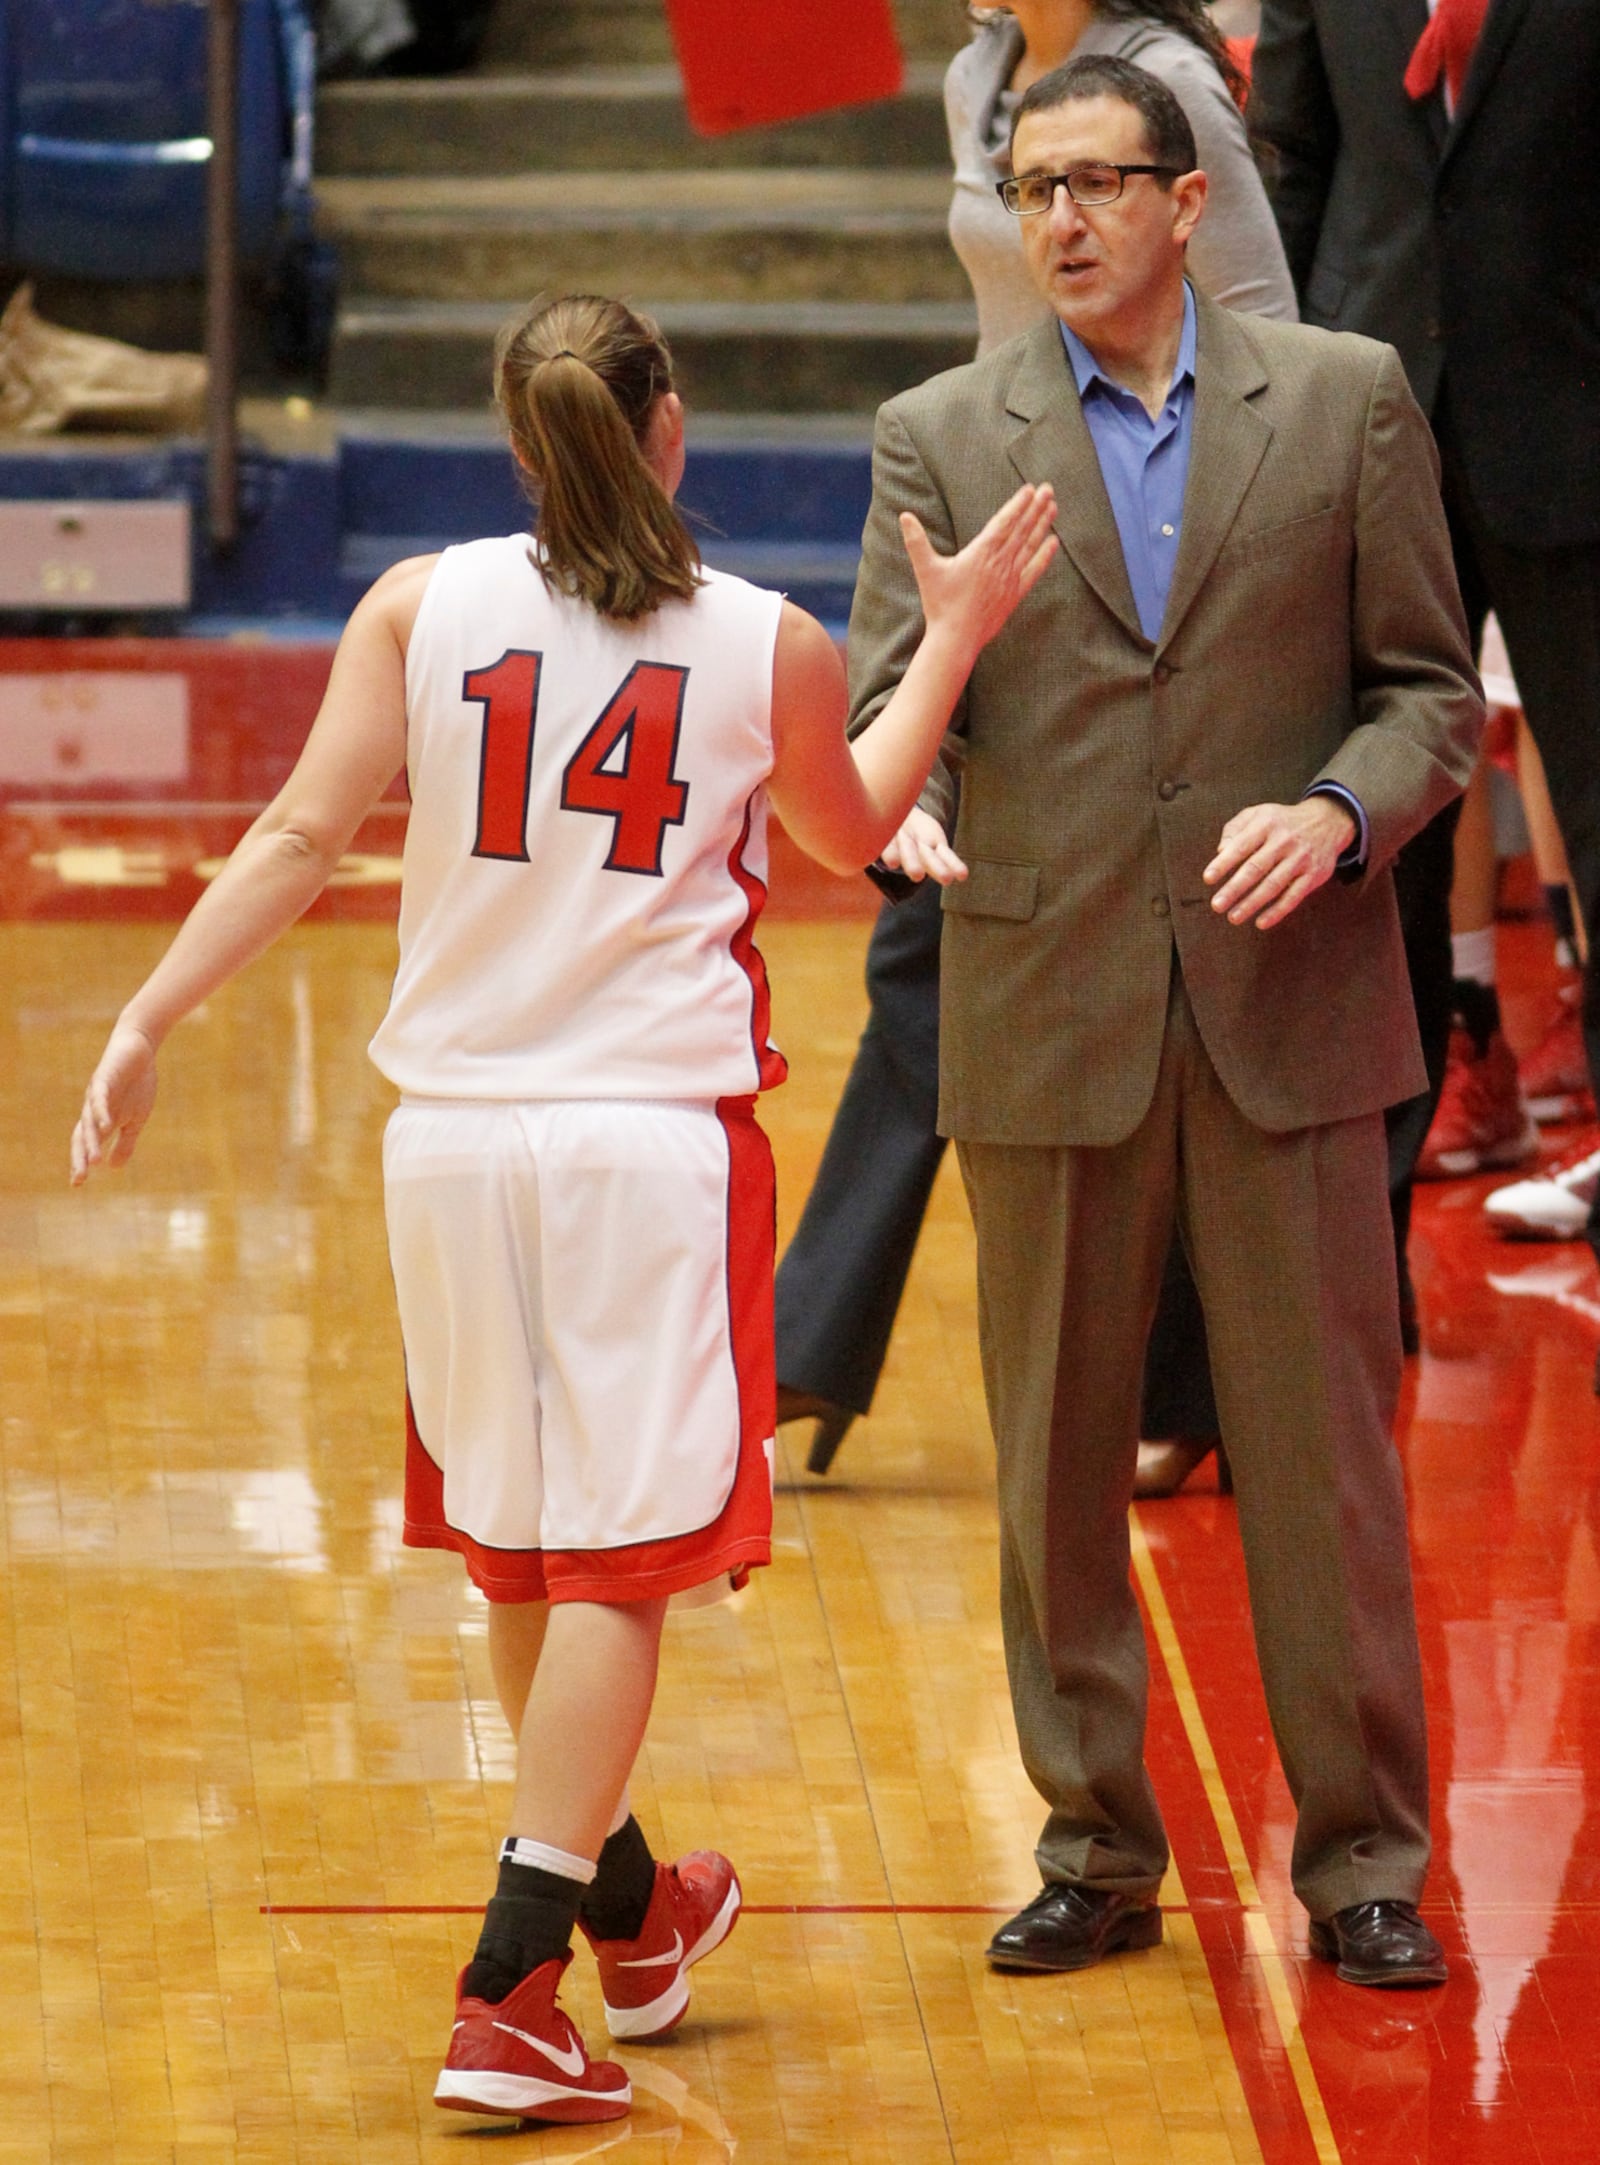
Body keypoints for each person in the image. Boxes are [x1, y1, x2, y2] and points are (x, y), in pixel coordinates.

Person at [67, 293, 1057, 2123]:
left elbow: (294, 837)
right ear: (669, 427)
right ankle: (506, 1990)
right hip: (638, 1148)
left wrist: (148, 1014)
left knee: (528, 1547)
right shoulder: (764, 644)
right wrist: (959, 636)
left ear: (520, 444)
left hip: (447, 1141)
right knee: (617, 1565)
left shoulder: (412, 605)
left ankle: (635, 1908)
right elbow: (860, 832)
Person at [849, 55, 1481, 1985]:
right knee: (1052, 1461)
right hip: (1049, 1008)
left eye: (1097, 184)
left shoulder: (1349, 403)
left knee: (1325, 1468)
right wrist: (924, 820)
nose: (1060, 220)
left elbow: (1431, 697)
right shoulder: (943, 436)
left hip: (1289, 1010)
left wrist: (1342, 807)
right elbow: (894, 730)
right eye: (1032, 188)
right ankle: (1093, 1840)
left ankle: (1366, 1857)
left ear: (1188, 202)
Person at [774, 0, 1296, 1485]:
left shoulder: (1174, 83)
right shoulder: (977, 74)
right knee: (931, 919)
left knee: (1144, 952)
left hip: (1146, 552)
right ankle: (814, 1342)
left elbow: (1269, 344)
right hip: (1002, 524)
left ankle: (822, 1345)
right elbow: (1006, 317)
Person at [1250, 0, 1600, 1303]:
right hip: (1374, 424)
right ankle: (1359, 1262)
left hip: (1571, 416)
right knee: (1374, 843)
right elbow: (1296, 166)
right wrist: (1280, 404)